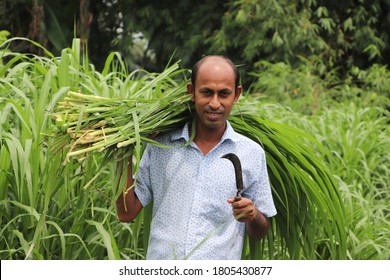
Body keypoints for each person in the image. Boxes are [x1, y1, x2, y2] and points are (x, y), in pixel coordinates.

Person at [116, 55, 277, 260]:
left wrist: (252, 215)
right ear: (191, 92)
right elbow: (126, 213)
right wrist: (121, 150)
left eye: (224, 94)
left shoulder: (251, 153)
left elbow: (259, 232)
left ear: (236, 95)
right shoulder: (162, 145)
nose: (215, 103)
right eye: (207, 92)